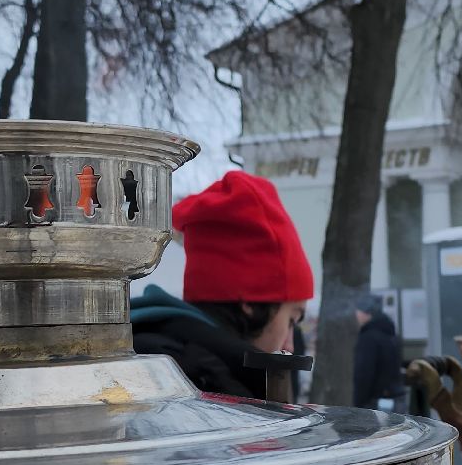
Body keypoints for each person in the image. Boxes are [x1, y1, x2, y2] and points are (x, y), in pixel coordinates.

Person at [131, 171, 312, 398]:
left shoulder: (146, 351)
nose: (291, 346)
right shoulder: (208, 381)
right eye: (291, 320)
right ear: (251, 300)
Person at [352, 294, 405, 410]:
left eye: (359, 311)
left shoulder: (368, 338)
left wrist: (358, 404)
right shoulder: (391, 334)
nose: (357, 315)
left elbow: (364, 373)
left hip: (375, 402)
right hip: (396, 398)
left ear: (367, 313)